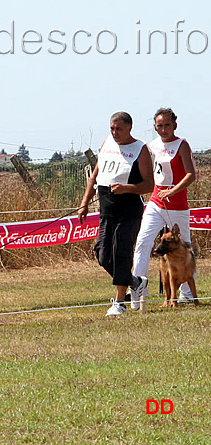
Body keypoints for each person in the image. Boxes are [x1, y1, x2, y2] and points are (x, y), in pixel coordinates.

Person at [78, 111, 154, 316]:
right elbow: (94, 176)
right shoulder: (106, 144)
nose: (115, 132)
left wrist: (126, 188)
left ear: (129, 128)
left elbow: (149, 185)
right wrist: (84, 203)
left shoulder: (140, 149)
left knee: (121, 251)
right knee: (102, 255)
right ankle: (135, 282)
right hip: (106, 210)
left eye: (119, 128)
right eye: (112, 128)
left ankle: (119, 302)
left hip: (128, 210)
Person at [129, 108, 196, 309]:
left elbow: (191, 175)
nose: (164, 129)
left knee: (185, 247)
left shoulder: (182, 145)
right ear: (155, 127)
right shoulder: (152, 146)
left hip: (177, 205)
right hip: (156, 202)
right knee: (143, 242)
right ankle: (138, 288)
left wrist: (173, 191)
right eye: (160, 126)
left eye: (167, 125)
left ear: (174, 125)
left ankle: (186, 293)